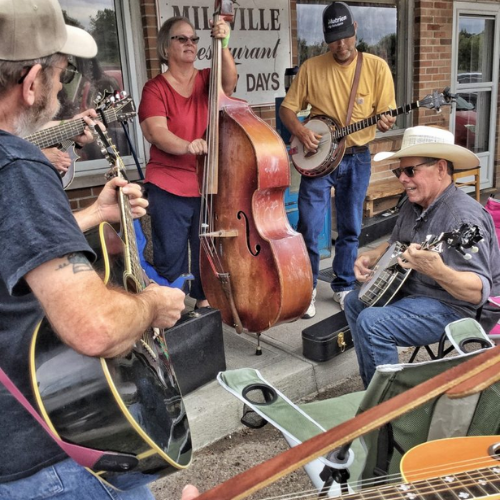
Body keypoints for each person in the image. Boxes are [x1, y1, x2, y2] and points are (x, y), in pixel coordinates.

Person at [0, 0, 197, 498]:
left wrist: (94, 215)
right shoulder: (18, 165)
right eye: (61, 76)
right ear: (30, 83)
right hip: (52, 454)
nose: (61, 90)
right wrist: (153, 303)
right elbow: (95, 329)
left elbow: (14, 248)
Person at [344, 126, 500, 388]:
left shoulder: (462, 218)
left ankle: (389, 411)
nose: (402, 179)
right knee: (353, 301)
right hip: (415, 293)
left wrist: (437, 270)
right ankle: (372, 389)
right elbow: (398, 242)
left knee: (373, 323)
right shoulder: (413, 203)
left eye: (410, 171)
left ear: (440, 169)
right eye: (399, 172)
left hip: (456, 308)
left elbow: (477, 293)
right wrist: (372, 255)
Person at [279, 1, 396, 318]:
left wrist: (386, 122)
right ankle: (308, 289)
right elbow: (287, 110)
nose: (340, 44)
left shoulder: (376, 67)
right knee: (309, 226)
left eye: (345, 36)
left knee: (350, 228)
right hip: (317, 162)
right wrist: (302, 132)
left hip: (357, 158)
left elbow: (385, 114)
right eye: (334, 39)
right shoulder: (311, 68)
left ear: (355, 29)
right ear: (325, 37)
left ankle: (343, 285)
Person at [139, 16, 237, 309]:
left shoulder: (207, 78)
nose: (190, 44)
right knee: (172, 255)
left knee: (206, 249)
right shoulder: (155, 89)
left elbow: (229, 84)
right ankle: (172, 312)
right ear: (165, 47)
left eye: (194, 39)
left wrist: (223, 44)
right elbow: (156, 133)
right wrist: (187, 145)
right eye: (182, 38)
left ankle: (204, 307)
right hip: (168, 184)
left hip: (205, 182)